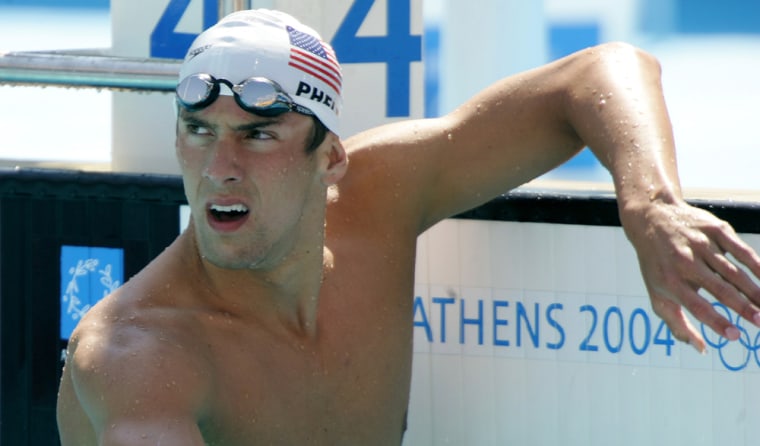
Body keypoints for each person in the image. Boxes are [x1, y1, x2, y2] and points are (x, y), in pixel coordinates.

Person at [56, 8, 760, 445]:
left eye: (259, 135)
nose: (220, 167)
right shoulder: (141, 359)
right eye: (199, 132)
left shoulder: (378, 198)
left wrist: (651, 204)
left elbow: (604, 71)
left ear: (329, 158)